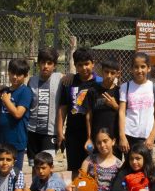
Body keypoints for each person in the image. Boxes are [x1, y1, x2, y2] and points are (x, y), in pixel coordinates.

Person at [58, 47, 101, 179]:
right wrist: (60, 131)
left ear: (93, 63)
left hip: (94, 133)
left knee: (94, 168)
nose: (84, 68)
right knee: (76, 169)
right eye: (80, 65)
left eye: (87, 64)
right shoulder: (69, 82)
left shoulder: (99, 83)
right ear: (75, 66)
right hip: (73, 133)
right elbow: (63, 108)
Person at [118, 52, 155, 152]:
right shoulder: (125, 87)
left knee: (146, 166)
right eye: (136, 67)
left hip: (147, 135)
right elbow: (121, 111)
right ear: (131, 69)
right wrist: (122, 136)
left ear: (149, 68)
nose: (139, 70)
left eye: (143, 66)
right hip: (129, 134)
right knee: (130, 164)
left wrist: (152, 136)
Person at [0, 58, 32, 174]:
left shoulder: (25, 92)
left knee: (15, 173)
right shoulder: (5, 91)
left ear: (25, 75)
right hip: (1, 139)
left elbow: (18, 113)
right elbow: (1, 114)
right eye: (12, 73)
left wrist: (6, 100)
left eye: (19, 74)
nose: (15, 77)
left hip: (16, 141)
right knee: (1, 172)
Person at [27, 48, 63, 166]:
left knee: (46, 167)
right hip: (32, 131)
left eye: (49, 63)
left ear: (55, 65)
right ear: (38, 64)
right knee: (35, 166)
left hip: (50, 133)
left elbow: (76, 77)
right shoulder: (32, 81)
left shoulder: (60, 78)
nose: (45, 66)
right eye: (43, 63)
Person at [85, 59, 121, 157]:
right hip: (97, 139)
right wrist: (89, 138)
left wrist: (115, 106)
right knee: (95, 168)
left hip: (114, 139)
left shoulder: (120, 92)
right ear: (102, 71)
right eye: (106, 72)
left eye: (112, 73)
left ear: (118, 74)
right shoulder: (93, 91)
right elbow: (89, 116)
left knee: (114, 167)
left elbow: (124, 115)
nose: (109, 75)